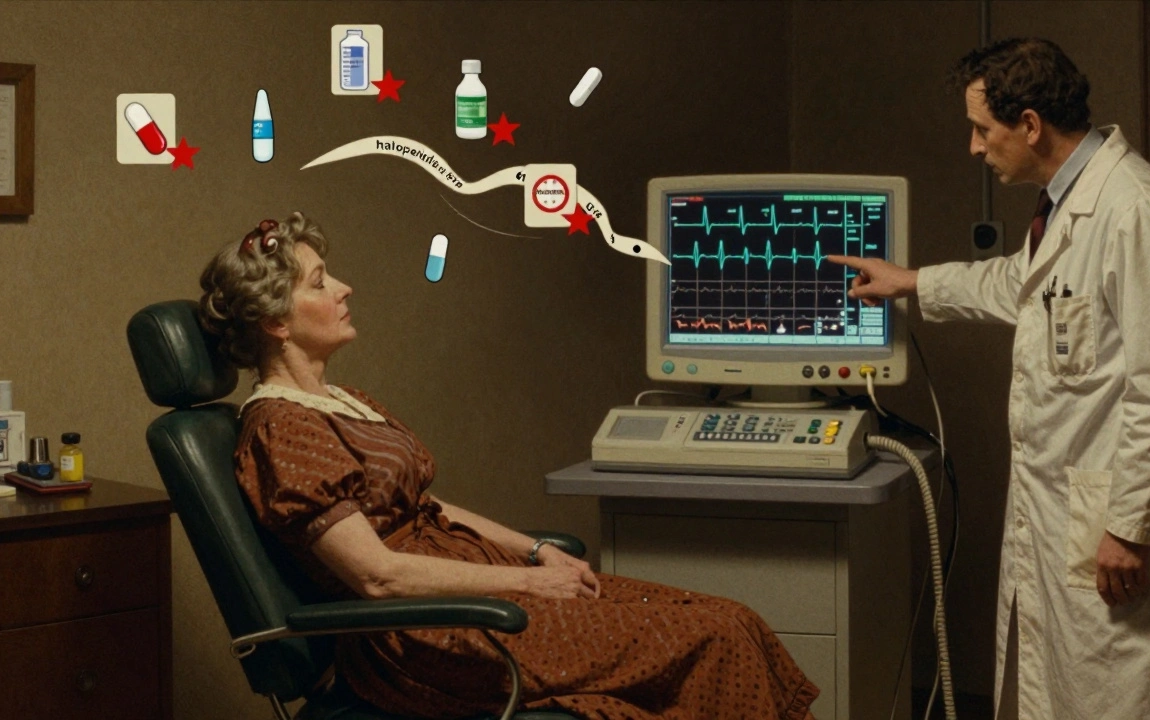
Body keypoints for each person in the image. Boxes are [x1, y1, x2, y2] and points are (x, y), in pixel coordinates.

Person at [198, 212, 819, 720]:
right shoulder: (283, 428)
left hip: (479, 579)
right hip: (428, 633)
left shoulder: (342, 402)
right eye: (319, 282)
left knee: (732, 620)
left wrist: (535, 552)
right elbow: (378, 576)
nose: (343, 289)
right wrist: (529, 585)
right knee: (711, 643)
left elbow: (427, 508)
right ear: (276, 321)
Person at [827, 38, 1150, 720]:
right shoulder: (1068, 203)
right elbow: (1027, 288)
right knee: (1074, 689)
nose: (973, 147)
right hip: (1073, 507)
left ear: (1029, 125)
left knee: (1130, 696)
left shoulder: (1135, 210)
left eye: (982, 129)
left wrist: (1133, 527)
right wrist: (911, 283)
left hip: (1118, 520)